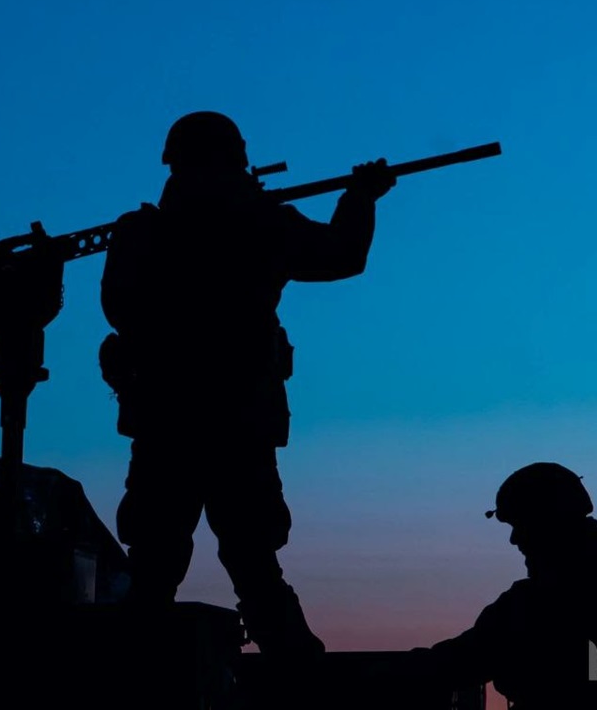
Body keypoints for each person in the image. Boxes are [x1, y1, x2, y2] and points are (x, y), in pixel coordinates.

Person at [98, 111, 396, 663]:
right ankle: (298, 680)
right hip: (230, 422)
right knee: (248, 564)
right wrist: (360, 198)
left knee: (162, 567)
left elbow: (120, 308)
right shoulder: (259, 223)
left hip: (171, 421)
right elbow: (342, 254)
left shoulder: (145, 232)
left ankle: (138, 674)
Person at [408, 462, 597, 709]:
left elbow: (465, 659)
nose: (514, 539)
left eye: (521, 525)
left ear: (548, 522)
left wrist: (398, 669)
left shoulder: (542, 601)